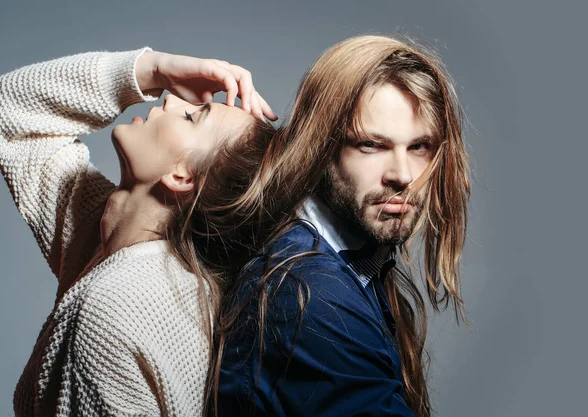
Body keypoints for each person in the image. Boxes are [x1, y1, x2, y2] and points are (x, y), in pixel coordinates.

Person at [186, 35, 470, 417]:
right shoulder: (310, 296)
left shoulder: (353, 258)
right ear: (320, 147)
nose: (403, 175)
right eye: (371, 145)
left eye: (419, 147)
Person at [0, 46, 276, 416]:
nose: (171, 100)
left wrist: (155, 72)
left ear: (181, 176)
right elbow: (12, 106)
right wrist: (155, 68)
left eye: (190, 117)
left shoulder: (114, 311)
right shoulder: (104, 233)